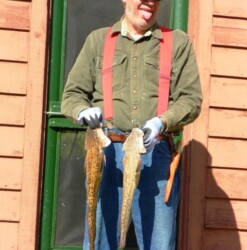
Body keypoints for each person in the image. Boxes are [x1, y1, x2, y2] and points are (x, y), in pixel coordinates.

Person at [61, 0, 202, 249]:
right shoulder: (98, 41)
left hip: (154, 152)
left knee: (158, 243)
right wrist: (82, 111)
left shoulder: (177, 43)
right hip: (106, 154)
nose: (150, 2)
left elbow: (191, 100)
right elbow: (72, 95)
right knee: (99, 240)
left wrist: (162, 122)